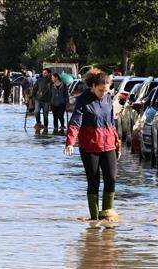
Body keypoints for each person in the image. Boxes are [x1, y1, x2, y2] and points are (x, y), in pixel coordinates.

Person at [64, 68, 121, 221]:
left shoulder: (108, 99)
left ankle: (107, 215)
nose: (103, 93)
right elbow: (75, 122)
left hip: (108, 145)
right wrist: (70, 142)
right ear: (93, 86)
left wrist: (117, 143)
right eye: (101, 90)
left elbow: (111, 123)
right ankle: (94, 219)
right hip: (89, 147)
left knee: (111, 179)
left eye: (106, 90)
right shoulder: (83, 100)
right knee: (93, 181)